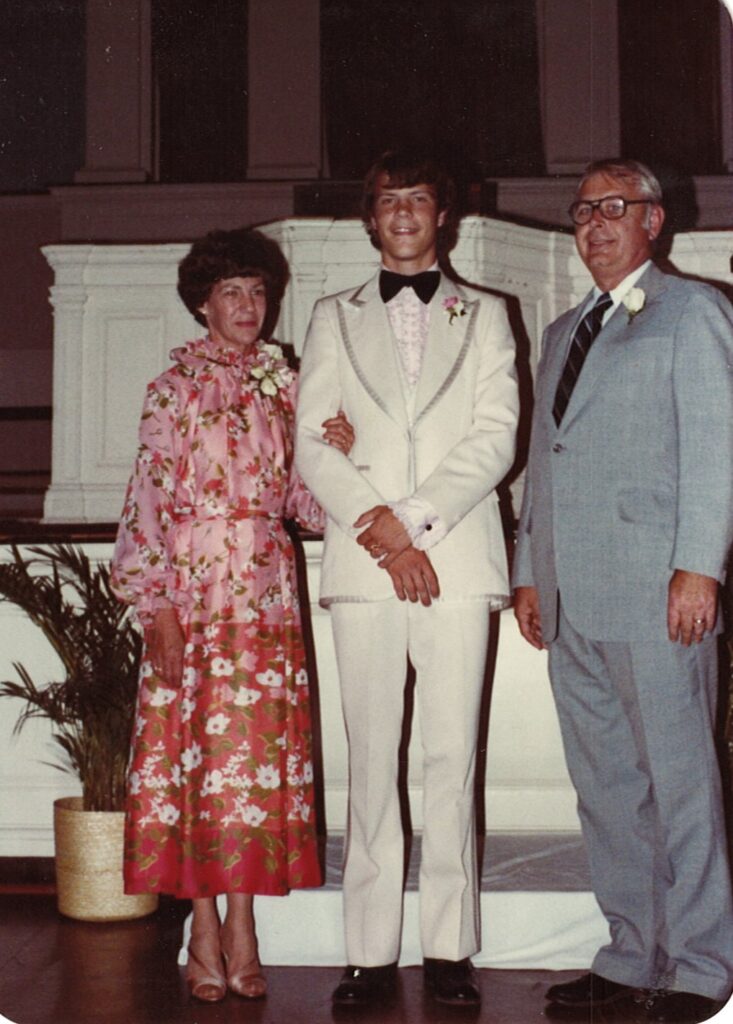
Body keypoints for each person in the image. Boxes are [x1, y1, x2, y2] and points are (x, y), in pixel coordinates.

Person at [295, 150, 518, 1008]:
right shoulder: (331, 316)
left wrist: (415, 524)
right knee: (369, 757)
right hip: (364, 566)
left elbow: (495, 439)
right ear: (369, 217)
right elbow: (313, 441)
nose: (402, 212)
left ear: (442, 215)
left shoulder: (490, 314)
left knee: (451, 756)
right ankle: (369, 952)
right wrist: (386, 537)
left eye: (417, 199)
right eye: (388, 200)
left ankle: (450, 949)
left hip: (457, 562)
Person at [513, 159, 733, 1024]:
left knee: (678, 781)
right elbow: (544, 461)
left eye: (615, 208)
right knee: (604, 783)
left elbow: (716, 451)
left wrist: (698, 567)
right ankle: (627, 950)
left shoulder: (696, 313)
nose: (595, 223)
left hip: (656, 591)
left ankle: (703, 964)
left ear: (654, 221)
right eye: (582, 211)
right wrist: (530, 571)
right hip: (570, 594)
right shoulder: (563, 328)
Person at [111, 228, 354, 1003]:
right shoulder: (171, 389)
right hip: (193, 590)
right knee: (195, 759)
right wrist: (160, 614)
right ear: (202, 304)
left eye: (257, 292)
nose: (248, 307)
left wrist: (342, 449)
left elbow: (305, 506)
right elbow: (147, 499)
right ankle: (203, 923)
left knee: (249, 761)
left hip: (268, 593)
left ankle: (243, 924)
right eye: (231, 294)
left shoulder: (287, 386)